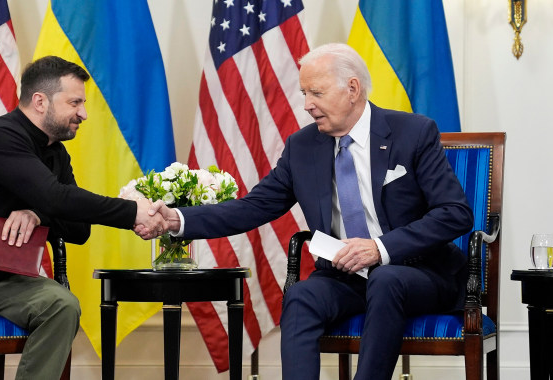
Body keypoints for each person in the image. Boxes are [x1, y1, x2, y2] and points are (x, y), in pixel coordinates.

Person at [141, 43, 473, 380]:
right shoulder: (302, 147)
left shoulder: (412, 132)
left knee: (386, 279)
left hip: (416, 274)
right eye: (304, 93)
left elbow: (454, 213)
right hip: (346, 278)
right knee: (301, 295)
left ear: (352, 89)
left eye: (316, 92)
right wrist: (177, 219)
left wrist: (379, 249)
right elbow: (253, 207)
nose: (306, 105)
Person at [0, 56, 166, 380]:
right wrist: (132, 212)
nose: (83, 113)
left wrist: (36, 213)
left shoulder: (56, 153)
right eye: (75, 102)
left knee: (63, 306)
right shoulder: (0, 136)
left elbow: (78, 229)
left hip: (4, 276)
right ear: (40, 101)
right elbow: (56, 197)